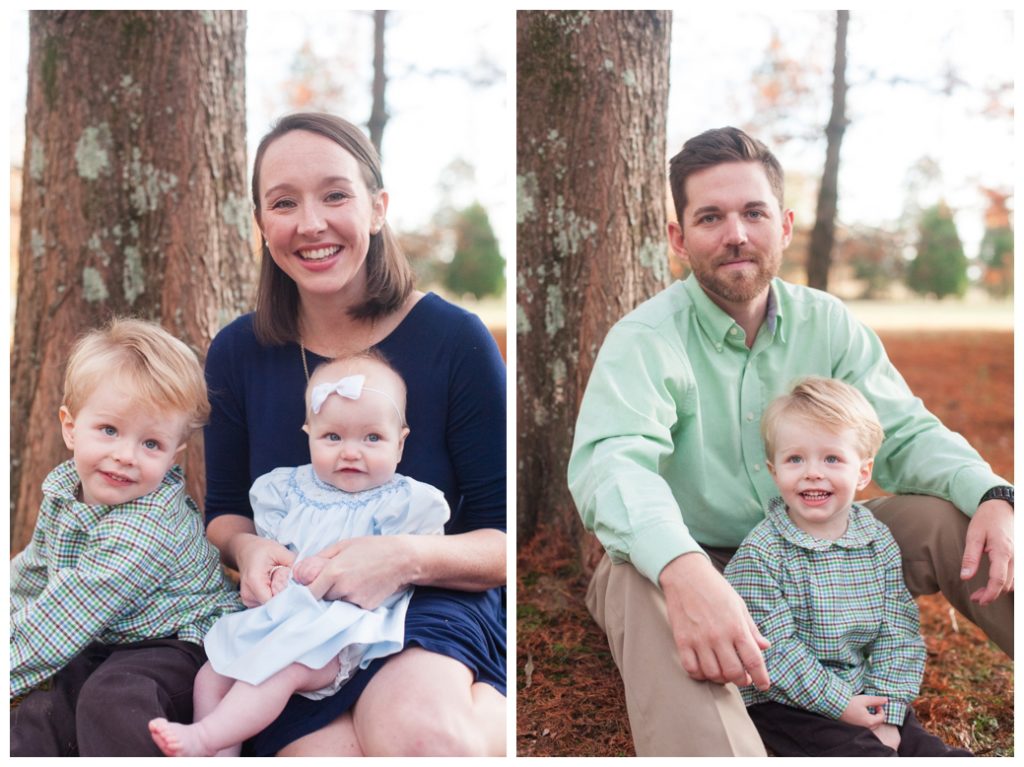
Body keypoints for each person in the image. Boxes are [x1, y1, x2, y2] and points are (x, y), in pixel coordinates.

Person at [568, 126, 1013, 756]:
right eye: (710, 217)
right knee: (643, 585)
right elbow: (612, 466)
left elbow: (905, 433)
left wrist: (994, 492)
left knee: (957, 515)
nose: (736, 234)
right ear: (678, 238)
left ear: (785, 225)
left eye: (754, 213)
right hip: (695, 557)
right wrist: (684, 569)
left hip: (821, 543)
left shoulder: (827, 323)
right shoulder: (645, 339)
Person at [203, 112, 506, 756]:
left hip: (427, 601)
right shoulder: (237, 352)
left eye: (335, 194)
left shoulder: (455, 341)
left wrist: (403, 557)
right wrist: (251, 552)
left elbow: (504, 544)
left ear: (377, 208)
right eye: (284, 203)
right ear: (262, 225)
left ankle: (481, 712)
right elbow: (224, 513)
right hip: (298, 619)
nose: (311, 223)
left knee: (415, 731)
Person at [149, 352, 450, 757]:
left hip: (340, 634)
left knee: (275, 673)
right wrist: (271, 571)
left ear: (401, 442)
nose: (350, 452)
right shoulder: (288, 491)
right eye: (332, 437)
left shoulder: (403, 502)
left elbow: (408, 566)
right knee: (211, 675)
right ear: (309, 433)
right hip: (282, 617)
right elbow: (275, 550)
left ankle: (203, 739)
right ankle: (221, 754)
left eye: (372, 438)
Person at [9, 318, 243, 757]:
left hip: (178, 641)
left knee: (113, 700)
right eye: (109, 430)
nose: (125, 456)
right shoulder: (63, 490)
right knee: (41, 711)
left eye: (151, 444)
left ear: (174, 456)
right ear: (70, 427)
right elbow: (32, 571)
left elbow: (62, 618)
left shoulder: (144, 529)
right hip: (104, 634)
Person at [724, 376, 972, 757]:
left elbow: (898, 631)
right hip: (786, 700)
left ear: (863, 472)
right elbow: (774, 652)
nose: (812, 472)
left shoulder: (877, 541)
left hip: (862, 690)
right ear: (774, 472)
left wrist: (886, 710)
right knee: (860, 753)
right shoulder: (762, 552)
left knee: (929, 750)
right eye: (795, 459)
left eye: (832, 458)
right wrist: (840, 705)